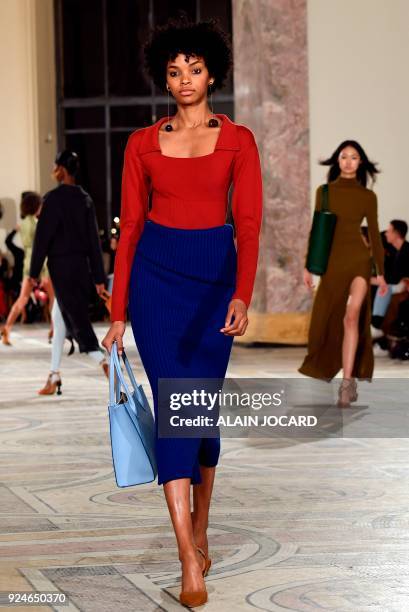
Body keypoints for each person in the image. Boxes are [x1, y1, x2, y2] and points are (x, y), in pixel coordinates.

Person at [102, 16, 262, 608]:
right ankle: (187, 557)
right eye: (174, 71)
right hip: (155, 282)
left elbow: (248, 223)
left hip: (214, 281)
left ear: (212, 73)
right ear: (164, 80)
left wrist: (242, 293)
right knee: (176, 404)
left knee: (199, 412)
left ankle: (200, 531)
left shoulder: (239, 140)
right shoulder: (142, 143)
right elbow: (131, 228)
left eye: (194, 68)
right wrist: (117, 314)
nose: (184, 78)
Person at [299, 140, 388, 406]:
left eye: (354, 157)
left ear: (360, 163)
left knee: (352, 316)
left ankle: (347, 383)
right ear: (338, 161)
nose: (349, 161)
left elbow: (374, 233)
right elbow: (317, 230)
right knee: (327, 320)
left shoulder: (367, 196)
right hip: (332, 264)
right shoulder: (323, 191)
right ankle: (336, 370)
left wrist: (381, 273)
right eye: (344, 156)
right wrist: (308, 265)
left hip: (358, 261)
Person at [29, 150, 109, 392]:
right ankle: (53, 376)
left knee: (77, 323)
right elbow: (94, 243)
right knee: (59, 316)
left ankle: (103, 362)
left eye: (55, 165)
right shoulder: (85, 199)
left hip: (61, 268)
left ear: (62, 169)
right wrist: (98, 277)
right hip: (81, 269)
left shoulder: (52, 200)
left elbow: (42, 240)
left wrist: (33, 273)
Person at [0, 192, 53, 346]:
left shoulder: (22, 224)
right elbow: (42, 246)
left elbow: (12, 239)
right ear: (36, 206)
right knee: (53, 299)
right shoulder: (38, 223)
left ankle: (7, 329)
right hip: (40, 261)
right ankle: (54, 330)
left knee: (22, 299)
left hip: (28, 262)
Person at [371, 220, 409, 336]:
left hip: (404, 286)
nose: (386, 233)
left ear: (396, 234)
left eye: (389, 231)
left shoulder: (407, 250)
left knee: (384, 288)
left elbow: (396, 278)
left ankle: (375, 326)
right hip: (397, 285)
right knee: (384, 288)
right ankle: (375, 326)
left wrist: (375, 281)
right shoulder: (396, 252)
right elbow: (392, 277)